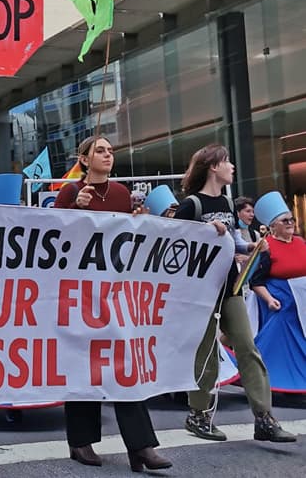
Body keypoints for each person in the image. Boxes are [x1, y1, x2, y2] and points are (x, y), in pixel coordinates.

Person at [53, 135, 172, 472]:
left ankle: (141, 447)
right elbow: (53, 238)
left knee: (124, 364)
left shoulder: (121, 193)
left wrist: (140, 222)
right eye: (100, 151)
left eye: (110, 151)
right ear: (84, 159)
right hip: (79, 294)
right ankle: (80, 441)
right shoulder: (70, 192)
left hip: (115, 293)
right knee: (82, 364)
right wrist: (76, 209)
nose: (108, 155)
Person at [173, 143, 295, 443]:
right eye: (227, 161)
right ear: (213, 166)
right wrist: (203, 232)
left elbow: (233, 242)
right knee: (205, 354)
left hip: (230, 286)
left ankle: (264, 418)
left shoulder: (228, 205)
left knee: (248, 347)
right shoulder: (191, 205)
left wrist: (250, 247)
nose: (232, 167)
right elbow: (175, 244)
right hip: (201, 291)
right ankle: (198, 415)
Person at [248, 193, 306, 392]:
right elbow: (255, 281)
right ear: (273, 226)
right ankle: (274, 381)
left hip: (302, 303)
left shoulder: (300, 242)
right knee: (278, 339)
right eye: (285, 220)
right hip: (281, 302)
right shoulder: (266, 247)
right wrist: (270, 299)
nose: (290, 223)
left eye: (292, 219)